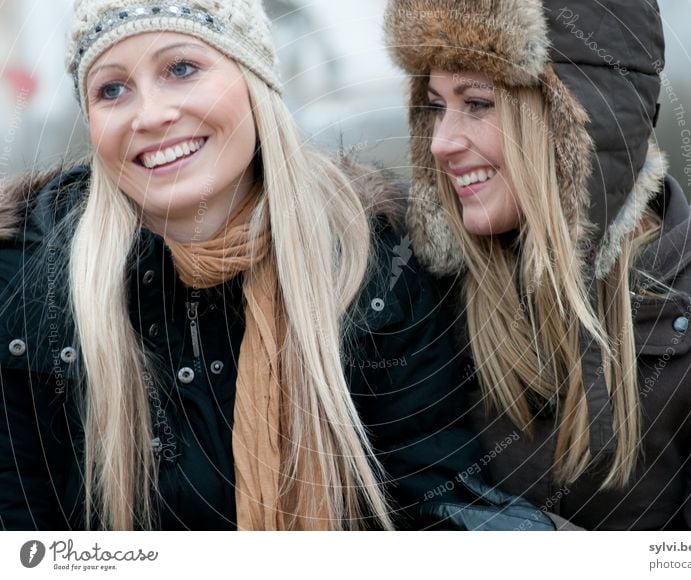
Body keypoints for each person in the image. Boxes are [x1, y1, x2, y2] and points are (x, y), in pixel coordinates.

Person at [0, 0, 491, 531]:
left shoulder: (371, 260)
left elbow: (440, 508)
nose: (150, 115)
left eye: (181, 69)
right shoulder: (28, 285)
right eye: (112, 89)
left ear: (255, 80)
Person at [385, 0, 691, 529]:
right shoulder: (434, 294)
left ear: (575, 127)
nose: (442, 142)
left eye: (479, 103)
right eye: (436, 105)